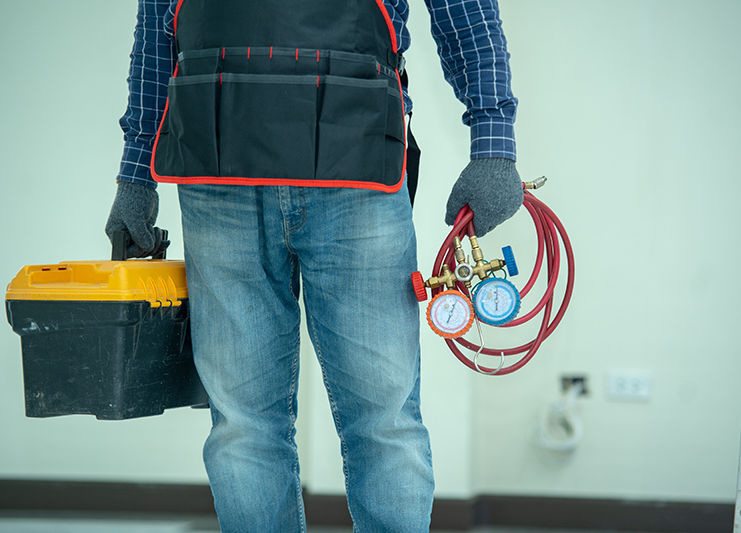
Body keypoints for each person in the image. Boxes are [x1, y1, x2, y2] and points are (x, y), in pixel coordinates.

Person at [106, 0, 521, 531]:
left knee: (382, 420)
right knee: (243, 426)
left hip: (356, 171)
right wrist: (135, 172)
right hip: (220, 177)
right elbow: (157, 31)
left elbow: (464, 11)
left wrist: (494, 143)